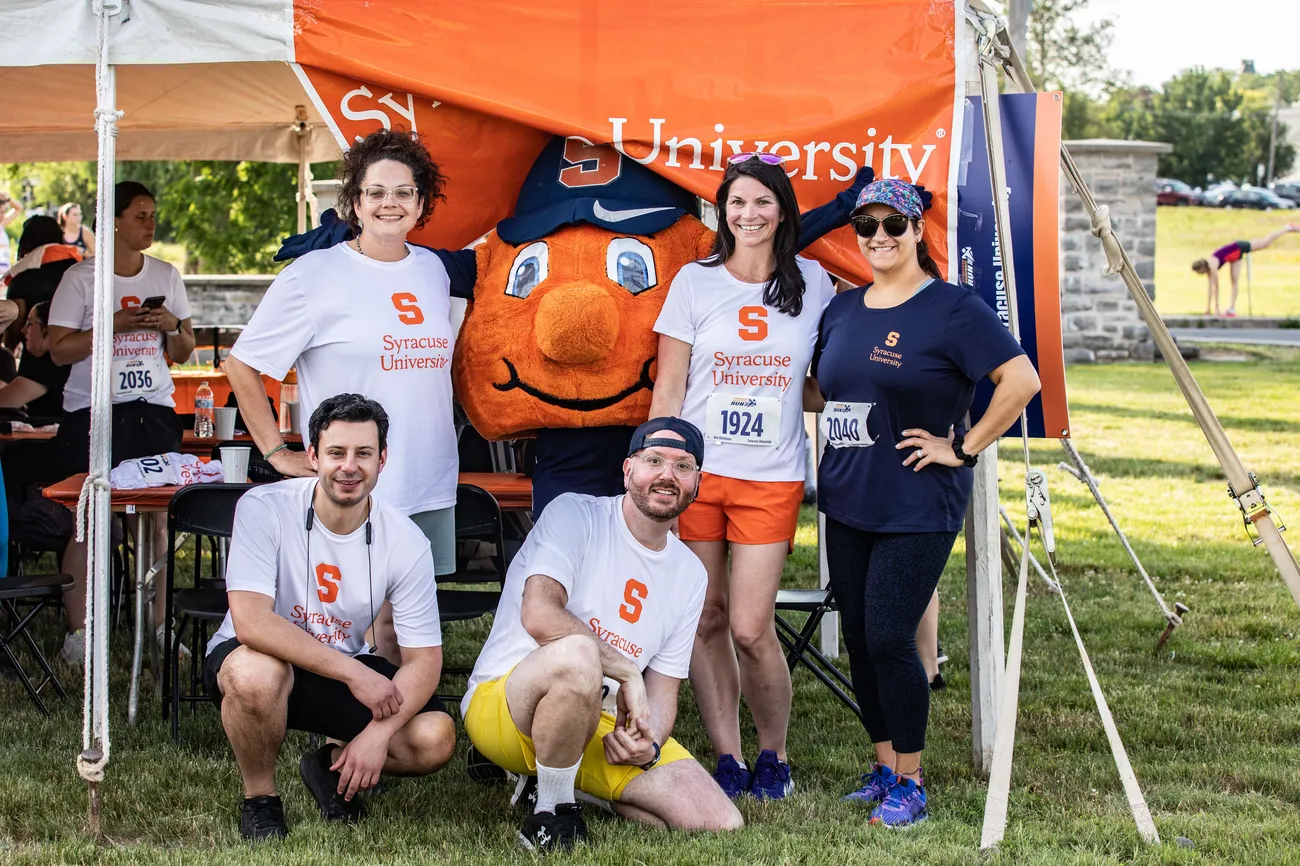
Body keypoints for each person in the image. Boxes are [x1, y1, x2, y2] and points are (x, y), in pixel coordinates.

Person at [805, 179, 1040, 827]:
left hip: (917, 500)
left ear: (917, 232)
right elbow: (825, 395)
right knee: (856, 636)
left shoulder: (953, 309)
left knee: (888, 635)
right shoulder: (844, 309)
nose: (879, 237)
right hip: (847, 494)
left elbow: (1021, 380)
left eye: (893, 226)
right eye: (867, 226)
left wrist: (962, 447)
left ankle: (912, 779)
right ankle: (883, 765)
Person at [226, 128, 459, 660]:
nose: (389, 203)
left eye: (403, 191)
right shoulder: (314, 274)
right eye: (376, 191)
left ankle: (393, 738)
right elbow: (242, 365)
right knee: (363, 633)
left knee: (407, 631)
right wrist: (276, 453)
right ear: (355, 202)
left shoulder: (432, 270)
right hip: (355, 483)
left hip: (427, 481)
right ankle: (353, 737)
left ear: (422, 202)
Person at [462, 417, 743, 852]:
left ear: (697, 482)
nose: (667, 475)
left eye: (683, 466)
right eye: (654, 461)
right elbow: (539, 615)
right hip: (507, 704)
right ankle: (552, 814)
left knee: (718, 821)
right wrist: (628, 672)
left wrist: (648, 744)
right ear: (628, 470)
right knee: (577, 655)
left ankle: (559, 781)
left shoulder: (691, 572)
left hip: (598, 721)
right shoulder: (574, 513)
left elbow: (665, 690)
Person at [648, 152, 836, 800]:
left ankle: (773, 754)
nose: (748, 214)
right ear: (721, 211)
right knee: (704, 617)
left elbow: (820, 383)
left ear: (782, 210)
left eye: (761, 202)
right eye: (736, 202)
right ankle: (727, 755)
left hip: (770, 477)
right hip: (698, 472)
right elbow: (670, 385)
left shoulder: (814, 284)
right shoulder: (694, 283)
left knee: (752, 628)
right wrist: (657, 471)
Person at [204, 394, 455, 841]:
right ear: (313, 455)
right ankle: (261, 801)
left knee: (435, 738)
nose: (349, 466)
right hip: (258, 655)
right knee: (257, 674)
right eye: (336, 453)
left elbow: (425, 662)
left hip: (340, 667)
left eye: (363, 453)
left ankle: (329, 765)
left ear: (383, 459)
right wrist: (354, 673)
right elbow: (251, 622)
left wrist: (378, 735)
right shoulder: (264, 507)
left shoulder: (407, 540)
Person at [47, 180, 196, 664]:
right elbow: (57, 348)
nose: (151, 223)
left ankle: (155, 629)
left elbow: (183, 349)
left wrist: (170, 326)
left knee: (154, 522)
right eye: (140, 215)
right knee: (90, 522)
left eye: (153, 214)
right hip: (93, 411)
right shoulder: (81, 279)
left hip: (151, 407)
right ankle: (79, 633)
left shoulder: (166, 275)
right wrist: (110, 326)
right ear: (112, 221)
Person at [1192, 224, 1299, 317]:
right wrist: (1208, 308)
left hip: (1238, 247)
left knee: (1264, 243)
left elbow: (1216, 288)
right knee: (1234, 281)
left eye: (1198, 272)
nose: (1200, 274)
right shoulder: (1209, 269)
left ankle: (1287, 228)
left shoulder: (1213, 266)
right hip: (1234, 258)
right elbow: (1210, 289)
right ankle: (1232, 308)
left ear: (1201, 268)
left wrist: (1216, 308)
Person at [0, 303, 71, 421]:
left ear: (46, 329)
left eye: (29, 323)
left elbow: (3, 402)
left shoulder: (49, 365)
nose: (23, 330)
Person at [0, 189, 24, 279]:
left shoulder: (2, 225)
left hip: (4, 271)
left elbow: (19, 208)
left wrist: (7, 198)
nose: (3, 215)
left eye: (3, 212)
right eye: (0, 212)